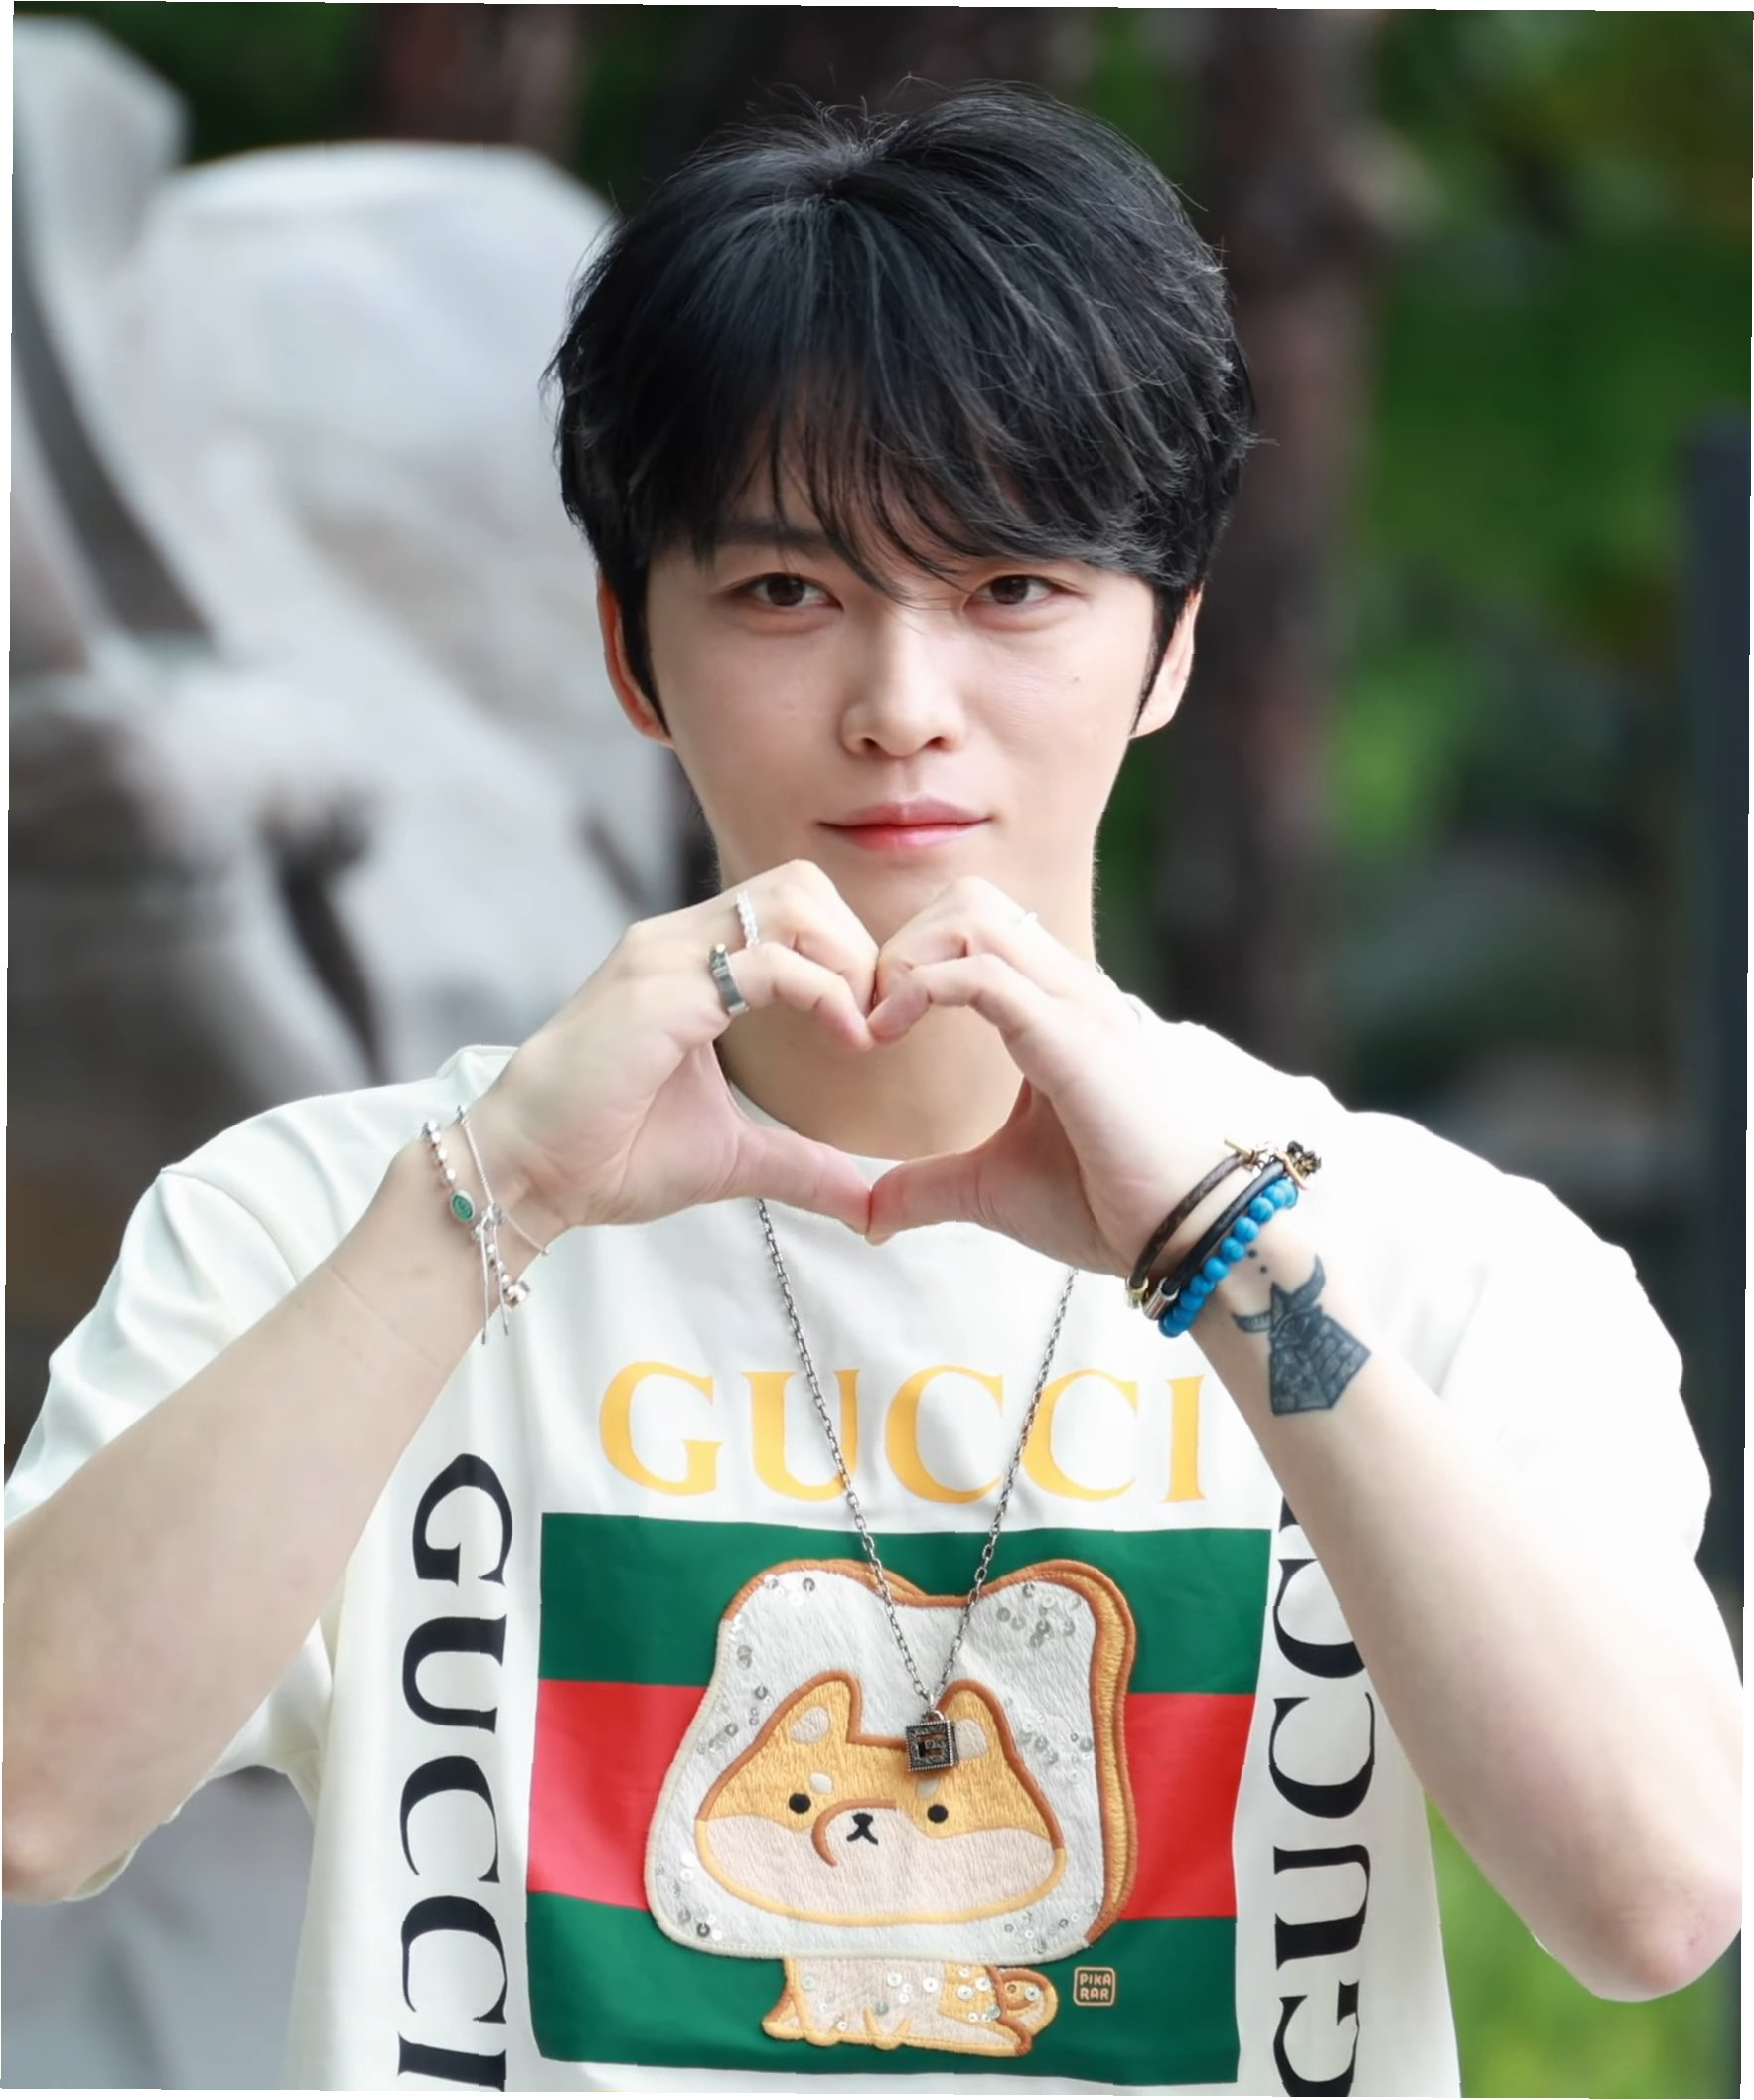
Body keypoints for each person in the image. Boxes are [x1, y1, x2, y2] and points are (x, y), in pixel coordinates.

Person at [3, 81, 1738, 2098]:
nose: (901, 705)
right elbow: (32, 1800)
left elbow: (1655, 1903)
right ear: (629, 651)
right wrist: (491, 1199)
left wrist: (1223, 1256)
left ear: (1170, 644)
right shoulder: (323, 1219)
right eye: (784, 593)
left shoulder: (1444, 1263)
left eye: (1011, 590)